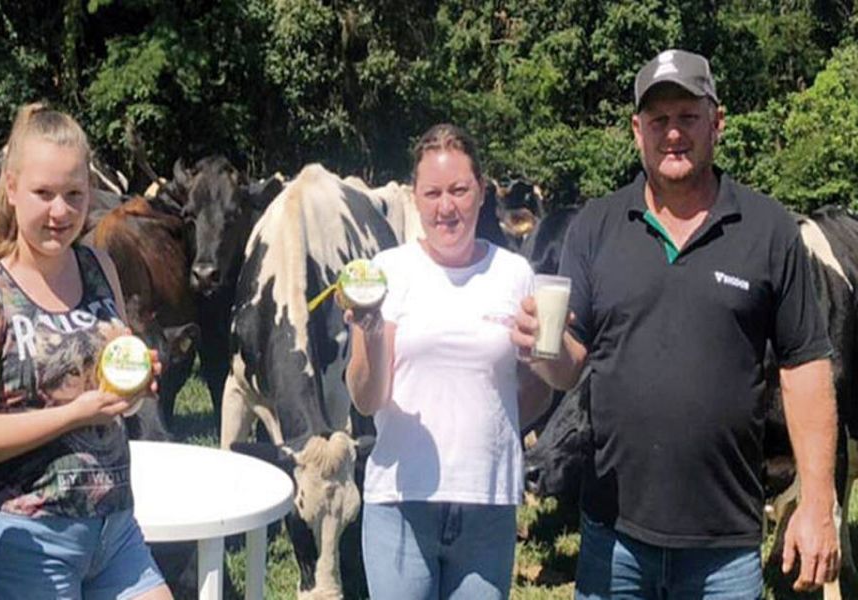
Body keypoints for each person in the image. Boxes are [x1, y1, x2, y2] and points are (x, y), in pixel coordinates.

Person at [511, 49, 840, 598]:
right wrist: (542, 351)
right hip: (614, 537)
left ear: (717, 122)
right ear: (637, 130)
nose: (672, 134)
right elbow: (571, 366)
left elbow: (805, 365)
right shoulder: (596, 226)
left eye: (687, 117)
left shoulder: (768, 229)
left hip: (726, 547)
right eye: (658, 120)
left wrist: (817, 502)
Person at [0, 103, 172, 600]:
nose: (60, 211)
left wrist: (132, 386)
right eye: (44, 194)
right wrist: (74, 413)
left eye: (74, 194)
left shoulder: (99, 266)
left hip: (115, 530)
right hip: (28, 539)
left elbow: (114, 395)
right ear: (12, 187)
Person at [346, 123, 550, 599]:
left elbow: (535, 392)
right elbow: (366, 397)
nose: (446, 207)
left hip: (488, 502)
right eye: (433, 192)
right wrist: (369, 332)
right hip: (400, 501)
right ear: (414, 198)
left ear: (482, 193)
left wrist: (501, 419)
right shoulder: (388, 272)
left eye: (459, 190)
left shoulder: (514, 273)